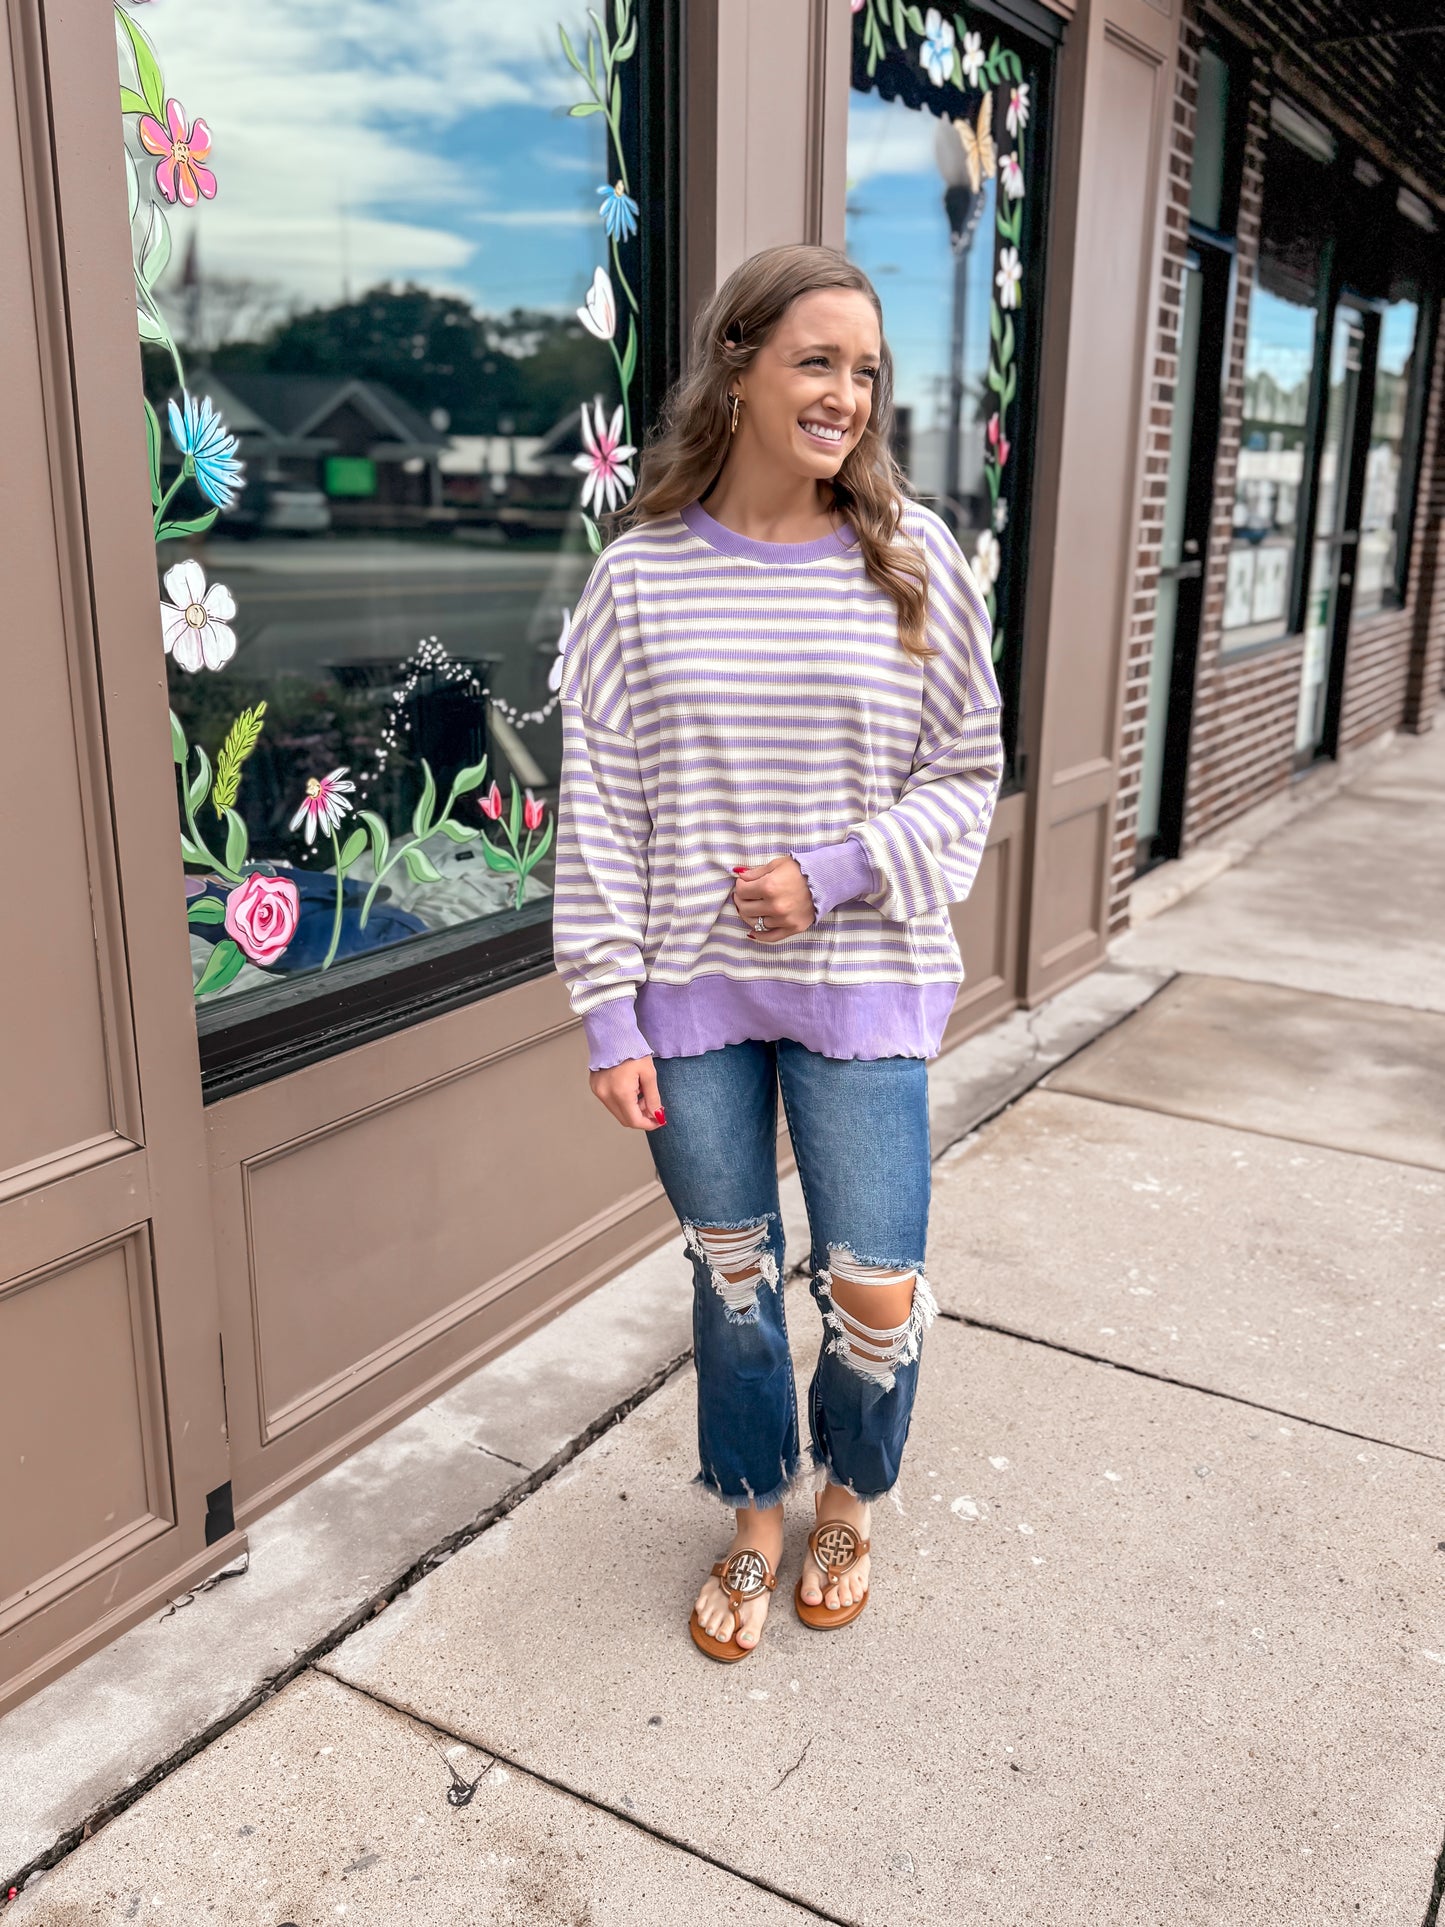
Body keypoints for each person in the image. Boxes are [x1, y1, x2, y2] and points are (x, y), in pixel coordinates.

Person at [551, 243, 1004, 1661]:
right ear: (736, 367)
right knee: (733, 1278)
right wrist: (608, 1020)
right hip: (688, 1002)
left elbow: (966, 770)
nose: (846, 395)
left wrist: (831, 873)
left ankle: (852, 1489)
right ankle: (755, 1512)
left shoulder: (912, 559)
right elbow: (602, 823)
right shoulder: (638, 579)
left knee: (872, 1284)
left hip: (861, 984)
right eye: (817, 360)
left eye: (865, 371)